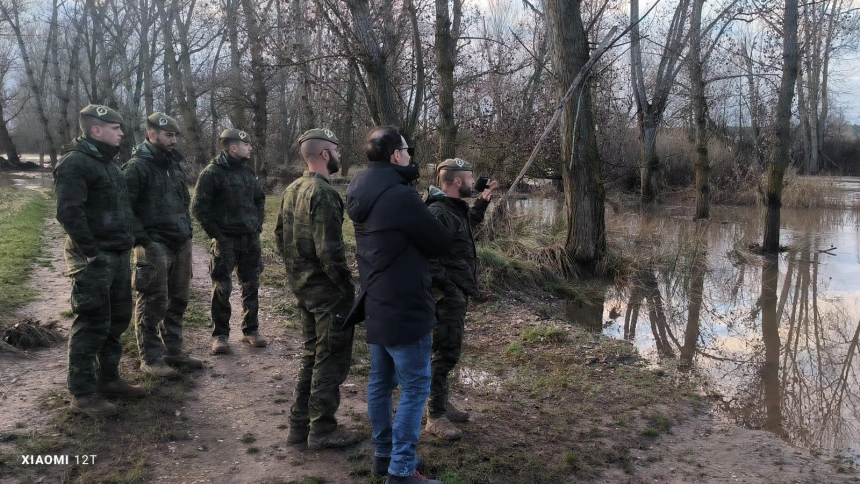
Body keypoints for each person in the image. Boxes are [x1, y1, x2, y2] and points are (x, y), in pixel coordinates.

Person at [345, 126, 452, 484]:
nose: (411, 155)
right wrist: (436, 208)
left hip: (376, 299)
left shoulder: (359, 189)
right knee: (415, 387)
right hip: (406, 305)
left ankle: (384, 455)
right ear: (394, 155)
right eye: (407, 150)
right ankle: (402, 470)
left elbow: (392, 237)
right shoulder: (400, 196)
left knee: (380, 383)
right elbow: (440, 242)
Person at [54, 104, 146, 417]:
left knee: (117, 319)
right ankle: (82, 393)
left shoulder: (108, 164)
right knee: (92, 321)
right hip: (94, 259)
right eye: (115, 128)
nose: (121, 133)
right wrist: (91, 251)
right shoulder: (76, 163)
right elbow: (69, 212)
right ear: (96, 130)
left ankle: (108, 379)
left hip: (118, 254)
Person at [275, 128, 360, 450]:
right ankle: (322, 428)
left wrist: (297, 274)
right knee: (330, 358)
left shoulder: (292, 188)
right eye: (336, 151)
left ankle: (299, 424)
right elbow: (330, 251)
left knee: (312, 354)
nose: (340, 156)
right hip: (326, 293)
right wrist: (346, 287)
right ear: (325, 154)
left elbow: (280, 236)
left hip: (304, 288)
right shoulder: (322, 193)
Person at [123, 112, 203, 379]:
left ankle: (174, 350)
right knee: (154, 300)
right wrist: (144, 239)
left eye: (175, 135)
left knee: (179, 298)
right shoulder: (136, 167)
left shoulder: (174, 165)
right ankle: (151, 358)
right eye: (169, 135)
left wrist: (187, 231)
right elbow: (126, 209)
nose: (174, 140)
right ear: (151, 134)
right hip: (154, 244)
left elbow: (183, 201)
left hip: (180, 241)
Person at [424, 158, 499, 440]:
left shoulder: (452, 209)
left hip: (455, 291)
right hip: (447, 295)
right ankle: (435, 416)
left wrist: (482, 201)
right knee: (444, 353)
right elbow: (429, 259)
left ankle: (440, 403)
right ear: (457, 181)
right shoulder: (439, 213)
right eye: (470, 177)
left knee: (447, 351)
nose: (473, 181)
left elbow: (468, 223)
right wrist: (450, 288)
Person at [191, 128, 267, 355]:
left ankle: (250, 331)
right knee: (222, 288)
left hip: (250, 240)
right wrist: (218, 235)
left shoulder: (246, 172)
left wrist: (257, 225)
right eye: (247, 145)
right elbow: (199, 208)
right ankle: (221, 335)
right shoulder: (211, 173)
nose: (251, 148)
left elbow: (260, 200)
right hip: (226, 241)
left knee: (251, 285)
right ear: (234, 147)